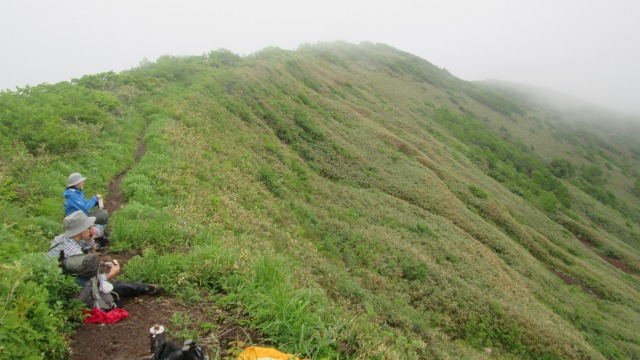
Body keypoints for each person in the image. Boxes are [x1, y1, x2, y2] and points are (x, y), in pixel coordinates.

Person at [48, 210, 160, 297]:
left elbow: (86, 247)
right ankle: (141, 287)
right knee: (113, 287)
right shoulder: (76, 255)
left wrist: (90, 238)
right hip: (71, 289)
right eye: (89, 227)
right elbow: (92, 284)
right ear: (81, 230)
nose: (92, 229)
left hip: (58, 280)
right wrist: (111, 273)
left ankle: (140, 287)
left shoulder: (60, 239)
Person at [64, 172, 109, 248]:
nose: (83, 182)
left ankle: (96, 236)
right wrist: (95, 198)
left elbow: (83, 205)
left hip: (81, 216)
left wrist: (95, 202)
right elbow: (85, 207)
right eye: (81, 181)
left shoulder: (76, 192)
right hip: (78, 219)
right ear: (77, 183)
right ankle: (95, 237)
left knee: (102, 214)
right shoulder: (73, 195)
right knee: (103, 214)